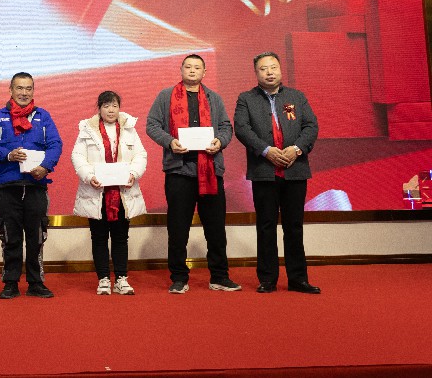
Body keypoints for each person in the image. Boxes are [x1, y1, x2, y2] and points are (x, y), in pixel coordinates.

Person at [146, 54, 240, 294]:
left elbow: (226, 127)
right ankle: (179, 277)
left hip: (210, 170)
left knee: (215, 228)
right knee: (178, 228)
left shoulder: (214, 98)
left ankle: (219, 276)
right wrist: (170, 142)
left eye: (197, 67)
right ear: (181, 69)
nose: (192, 70)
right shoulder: (166, 96)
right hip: (179, 171)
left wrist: (220, 141)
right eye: (188, 66)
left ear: (204, 72)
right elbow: (152, 125)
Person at [234, 52, 320, 294]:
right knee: (266, 226)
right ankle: (267, 279)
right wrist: (266, 151)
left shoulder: (296, 96)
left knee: (294, 226)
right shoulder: (246, 99)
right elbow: (242, 128)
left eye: (273, 67)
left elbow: (311, 126)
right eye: (263, 69)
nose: (269, 72)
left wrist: (297, 149)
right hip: (264, 172)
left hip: (295, 170)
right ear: (256, 73)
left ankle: (298, 279)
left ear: (281, 70)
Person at [0, 72, 63, 299]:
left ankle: (36, 282)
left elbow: (55, 144)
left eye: (28, 88)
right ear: (11, 90)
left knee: (37, 237)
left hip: (36, 185)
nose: (24, 93)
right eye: (19, 88)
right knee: (10, 236)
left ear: (33, 90)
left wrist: (45, 166)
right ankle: (10, 283)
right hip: (8, 186)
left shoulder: (43, 117)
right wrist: (7, 155)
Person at [71, 91, 147, 295]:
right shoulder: (87, 129)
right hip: (97, 193)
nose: (111, 110)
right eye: (106, 106)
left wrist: (133, 173)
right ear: (99, 109)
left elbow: (140, 155)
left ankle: (121, 279)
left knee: (121, 237)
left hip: (122, 193)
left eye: (114, 106)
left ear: (119, 108)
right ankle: (103, 279)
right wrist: (89, 176)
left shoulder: (129, 129)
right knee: (99, 237)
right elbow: (77, 156)